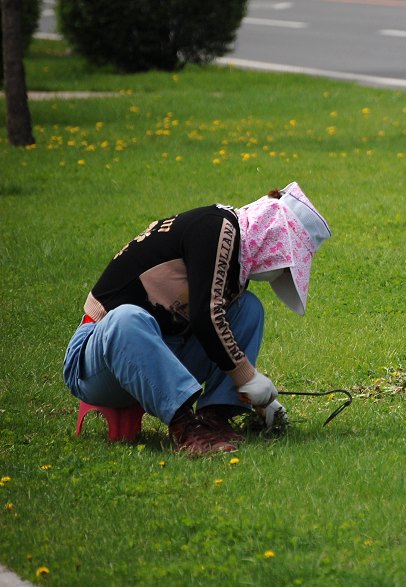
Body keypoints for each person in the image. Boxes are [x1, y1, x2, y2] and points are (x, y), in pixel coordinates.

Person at [63, 182, 331, 455]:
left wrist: (261, 400)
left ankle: (214, 416)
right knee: (128, 319)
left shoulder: (237, 259)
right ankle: (186, 426)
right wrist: (248, 378)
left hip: (163, 351)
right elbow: (206, 315)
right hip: (95, 360)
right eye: (287, 265)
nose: (283, 272)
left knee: (247, 308)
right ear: (274, 240)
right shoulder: (215, 228)